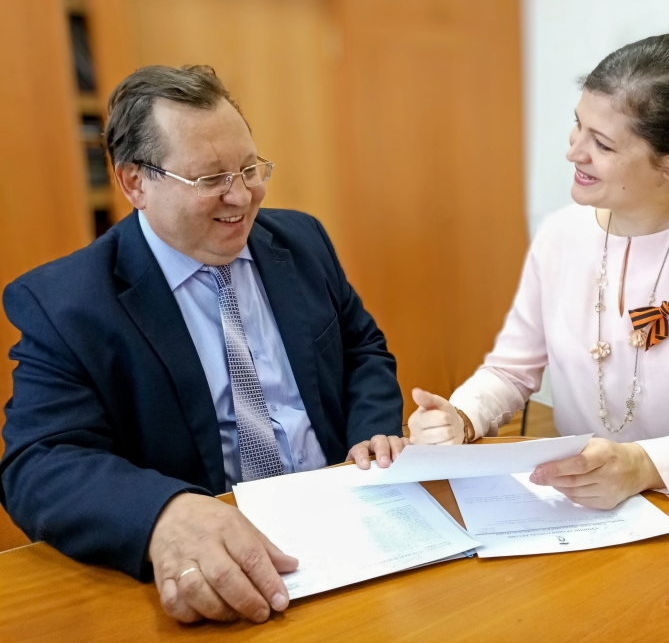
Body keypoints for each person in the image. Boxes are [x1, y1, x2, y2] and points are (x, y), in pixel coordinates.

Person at [0, 65, 406, 624]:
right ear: (134, 183)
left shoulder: (302, 240)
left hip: (352, 526)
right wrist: (164, 513)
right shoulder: (67, 303)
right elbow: (39, 462)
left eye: (249, 169)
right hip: (220, 567)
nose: (240, 196)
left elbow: (361, 348)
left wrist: (371, 432)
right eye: (210, 178)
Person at [408, 31, 669, 511]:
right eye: (578, 125)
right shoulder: (560, 234)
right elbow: (511, 370)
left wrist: (645, 465)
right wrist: (462, 416)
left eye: (602, 144)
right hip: (597, 508)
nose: (574, 152)